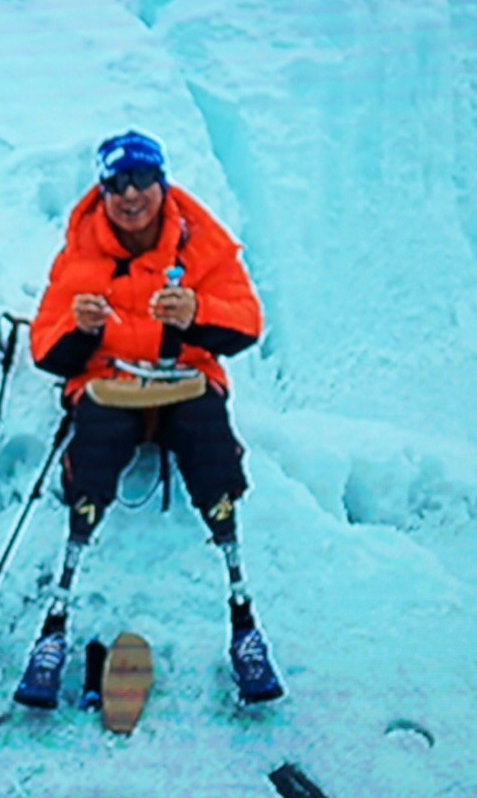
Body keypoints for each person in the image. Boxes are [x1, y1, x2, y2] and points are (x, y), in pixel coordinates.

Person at [18, 130, 283, 710]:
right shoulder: (80, 253)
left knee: (210, 442)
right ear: (102, 189)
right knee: (94, 447)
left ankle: (244, 617)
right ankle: (55, 622)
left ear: (161, 183)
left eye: (141, 179)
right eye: (116, 182)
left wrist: (198, 314)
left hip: (184, 380)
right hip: (109, 386)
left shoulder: (201, 244)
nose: (130, 193)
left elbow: (246, 322)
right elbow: (45, 346)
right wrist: (78, 330)